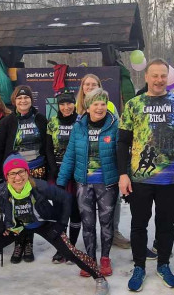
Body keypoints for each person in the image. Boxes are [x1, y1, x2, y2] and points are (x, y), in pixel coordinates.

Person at [0, 156, 109, 295]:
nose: (18, 177)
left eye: (21, 172)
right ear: (6, 177)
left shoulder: (39, 186)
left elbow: (66, 198)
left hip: (42, 223)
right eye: (12, 174)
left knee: (69, 252)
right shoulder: (1, 191)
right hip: (15, 227)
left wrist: (61, 225)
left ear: (27, 172)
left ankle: (99, 279)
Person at [118, 59, 174, 291]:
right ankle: (139, 266)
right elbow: (123, 142)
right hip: (140, 178)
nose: (158, 80)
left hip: (170, 178)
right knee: (138, 224)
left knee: (166, 225)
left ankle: (163, 264)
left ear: (168, 78)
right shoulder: (134, 105)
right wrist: (123, 174)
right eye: (154, 75)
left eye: (162, 75)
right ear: (146, 77)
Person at [57, 88, 119, 277]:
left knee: (107, 223)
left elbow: (122, 155)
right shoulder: (79, 127)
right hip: (83, 183)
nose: (99, 108)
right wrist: (61, 181)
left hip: (107, 184)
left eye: (103, 104)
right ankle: (90, 258)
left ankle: (105, 259)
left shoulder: (114, 125)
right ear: (88, 106)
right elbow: (70, 155)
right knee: (88, 223)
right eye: (95, 104)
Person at [0, 85, 56, 264]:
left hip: (36, 170)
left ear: (31, 100)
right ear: (14, 101)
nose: (23, 101)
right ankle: (18, 243)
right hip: (14, 174)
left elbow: (47, 146)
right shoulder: (7, 122)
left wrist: (51, 170)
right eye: (20, 98)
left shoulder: (41, 119)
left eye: (26, 98)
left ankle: (28, 242)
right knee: (16, 208)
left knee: (31, 208)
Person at [75, 74, 127, 249]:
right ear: (82, 88)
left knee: (110, 207)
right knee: (85, 211)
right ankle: (87, 244)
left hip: (106, 170)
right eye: (86, 84)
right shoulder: (76, 108)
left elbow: (117, 136)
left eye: (94, 84)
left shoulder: (108, 106)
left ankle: (114, 233)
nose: (90, 87)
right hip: (83, 168)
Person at [47, 90, 82, 264]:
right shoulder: (52, 122)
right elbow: (47, 148)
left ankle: (72, 246)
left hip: (77, 173)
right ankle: (62, 247)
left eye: (69, 103)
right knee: (60, 212)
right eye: (62, 104)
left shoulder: (81, 121)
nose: (66, 107)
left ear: (74, 104)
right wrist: (53, 168)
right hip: (58, 174)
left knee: (75, 211)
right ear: (58, 106)